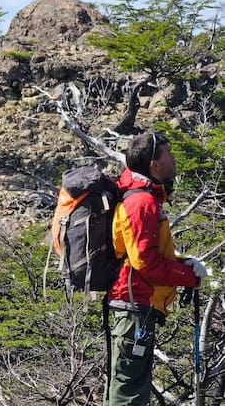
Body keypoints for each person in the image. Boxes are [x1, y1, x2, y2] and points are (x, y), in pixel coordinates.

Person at [104, 132, 207, 406]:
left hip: (135, 307)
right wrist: (188, 276)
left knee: (127, 388)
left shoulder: (146, 199)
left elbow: (150, 255)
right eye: (168, 153)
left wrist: (186, 265)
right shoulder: (142, 203)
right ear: (154, 164)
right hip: (134, 305)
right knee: (129, 395)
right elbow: (145, 262)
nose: (173, 157)